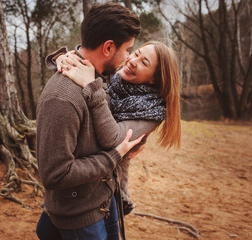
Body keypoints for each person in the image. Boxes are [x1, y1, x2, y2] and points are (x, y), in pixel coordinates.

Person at [39, 40, 181, 239]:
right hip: (83, 189)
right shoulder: (117, 82)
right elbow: (95, 59)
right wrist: (65, 58)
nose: (132, 61)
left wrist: (92, 86)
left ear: (153, 81)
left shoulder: (152, 112)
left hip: (108, 187)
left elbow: (112, 138)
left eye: (144, 63)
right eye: (136, 53)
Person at [36, 2, 154, 240]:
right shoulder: (62, 98)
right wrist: (114, 157)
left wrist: (61, 56)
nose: (129, 57)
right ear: (108, 47)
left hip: (103, 201)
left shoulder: (99, 78)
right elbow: (55, 174)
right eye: (128, 49)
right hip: (80, 218)